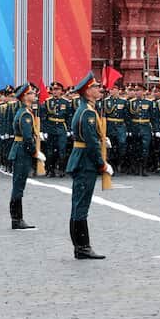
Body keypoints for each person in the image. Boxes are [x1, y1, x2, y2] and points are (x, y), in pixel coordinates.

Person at [65, 72, 112, 260]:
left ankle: (80, 246)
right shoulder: (88, 113)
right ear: (87, 91)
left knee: (78, 204)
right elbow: (91, 142)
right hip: (86, 162)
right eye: (95, 87)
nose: (98, 89)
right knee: (81, 205)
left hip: (81, 159)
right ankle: (82, 247)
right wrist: (102, 165)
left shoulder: (85, 109)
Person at [8, 83, 39, 229]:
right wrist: (34, 152)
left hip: (19, 150)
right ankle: (17, 219)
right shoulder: (25, 114)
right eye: (31, 93)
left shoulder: (24, 111)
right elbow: (27, 137)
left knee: (18, 185)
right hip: (22, 152)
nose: (34, 94)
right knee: (19, 186)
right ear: (25, 97)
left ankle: (17, 218)